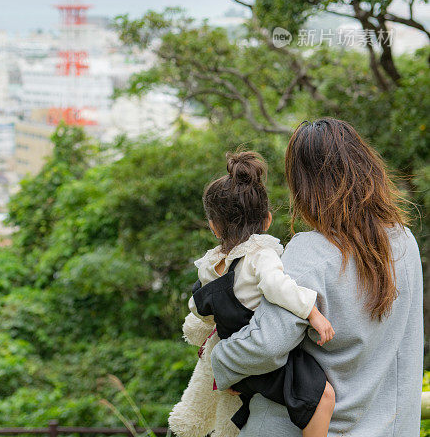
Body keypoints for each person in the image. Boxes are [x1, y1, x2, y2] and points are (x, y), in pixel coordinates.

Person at [211, 118, 424, 437]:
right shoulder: (404, 242)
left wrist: (219, 359)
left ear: (304, 185)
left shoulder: (310, 251)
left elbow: (267, 345)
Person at [169, 150, 335, 437]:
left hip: (235, 355)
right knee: (323, 397)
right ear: (268, 220)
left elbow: (198, 307)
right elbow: (277, 286)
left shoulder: (209, 265)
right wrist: (313, 312)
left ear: (213, 225)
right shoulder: (261, 254)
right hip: (259, 355)